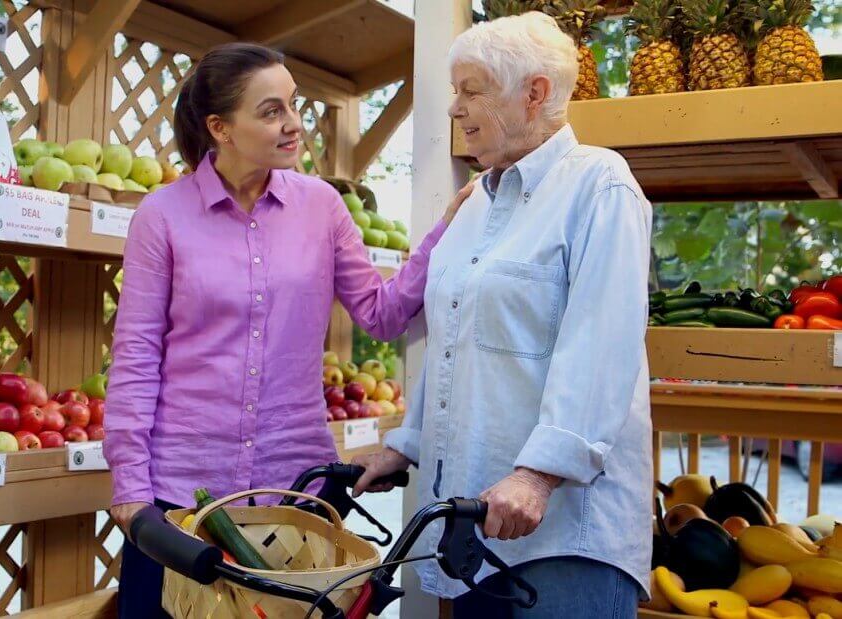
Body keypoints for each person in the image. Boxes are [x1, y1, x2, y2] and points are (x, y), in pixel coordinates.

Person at [102, 42, 471, 618]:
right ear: (220, 128)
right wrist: (129, 485)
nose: (294, 124)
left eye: (294, 105)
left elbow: (381, 312)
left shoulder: (322, 207)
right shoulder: (163, 215)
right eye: (271, 111)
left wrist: (444, 231)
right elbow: (136, 356)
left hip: (297, 491)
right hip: (182, 498)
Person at [352, 12, 653, 618]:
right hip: (474, 524)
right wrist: (405, 446)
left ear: (534, 93)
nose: (455, 110)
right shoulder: (471, 206)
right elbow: (453, 343)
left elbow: (601, 345)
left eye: (470, 90)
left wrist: (538, 475)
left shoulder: (600, 184)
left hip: (565, 535)